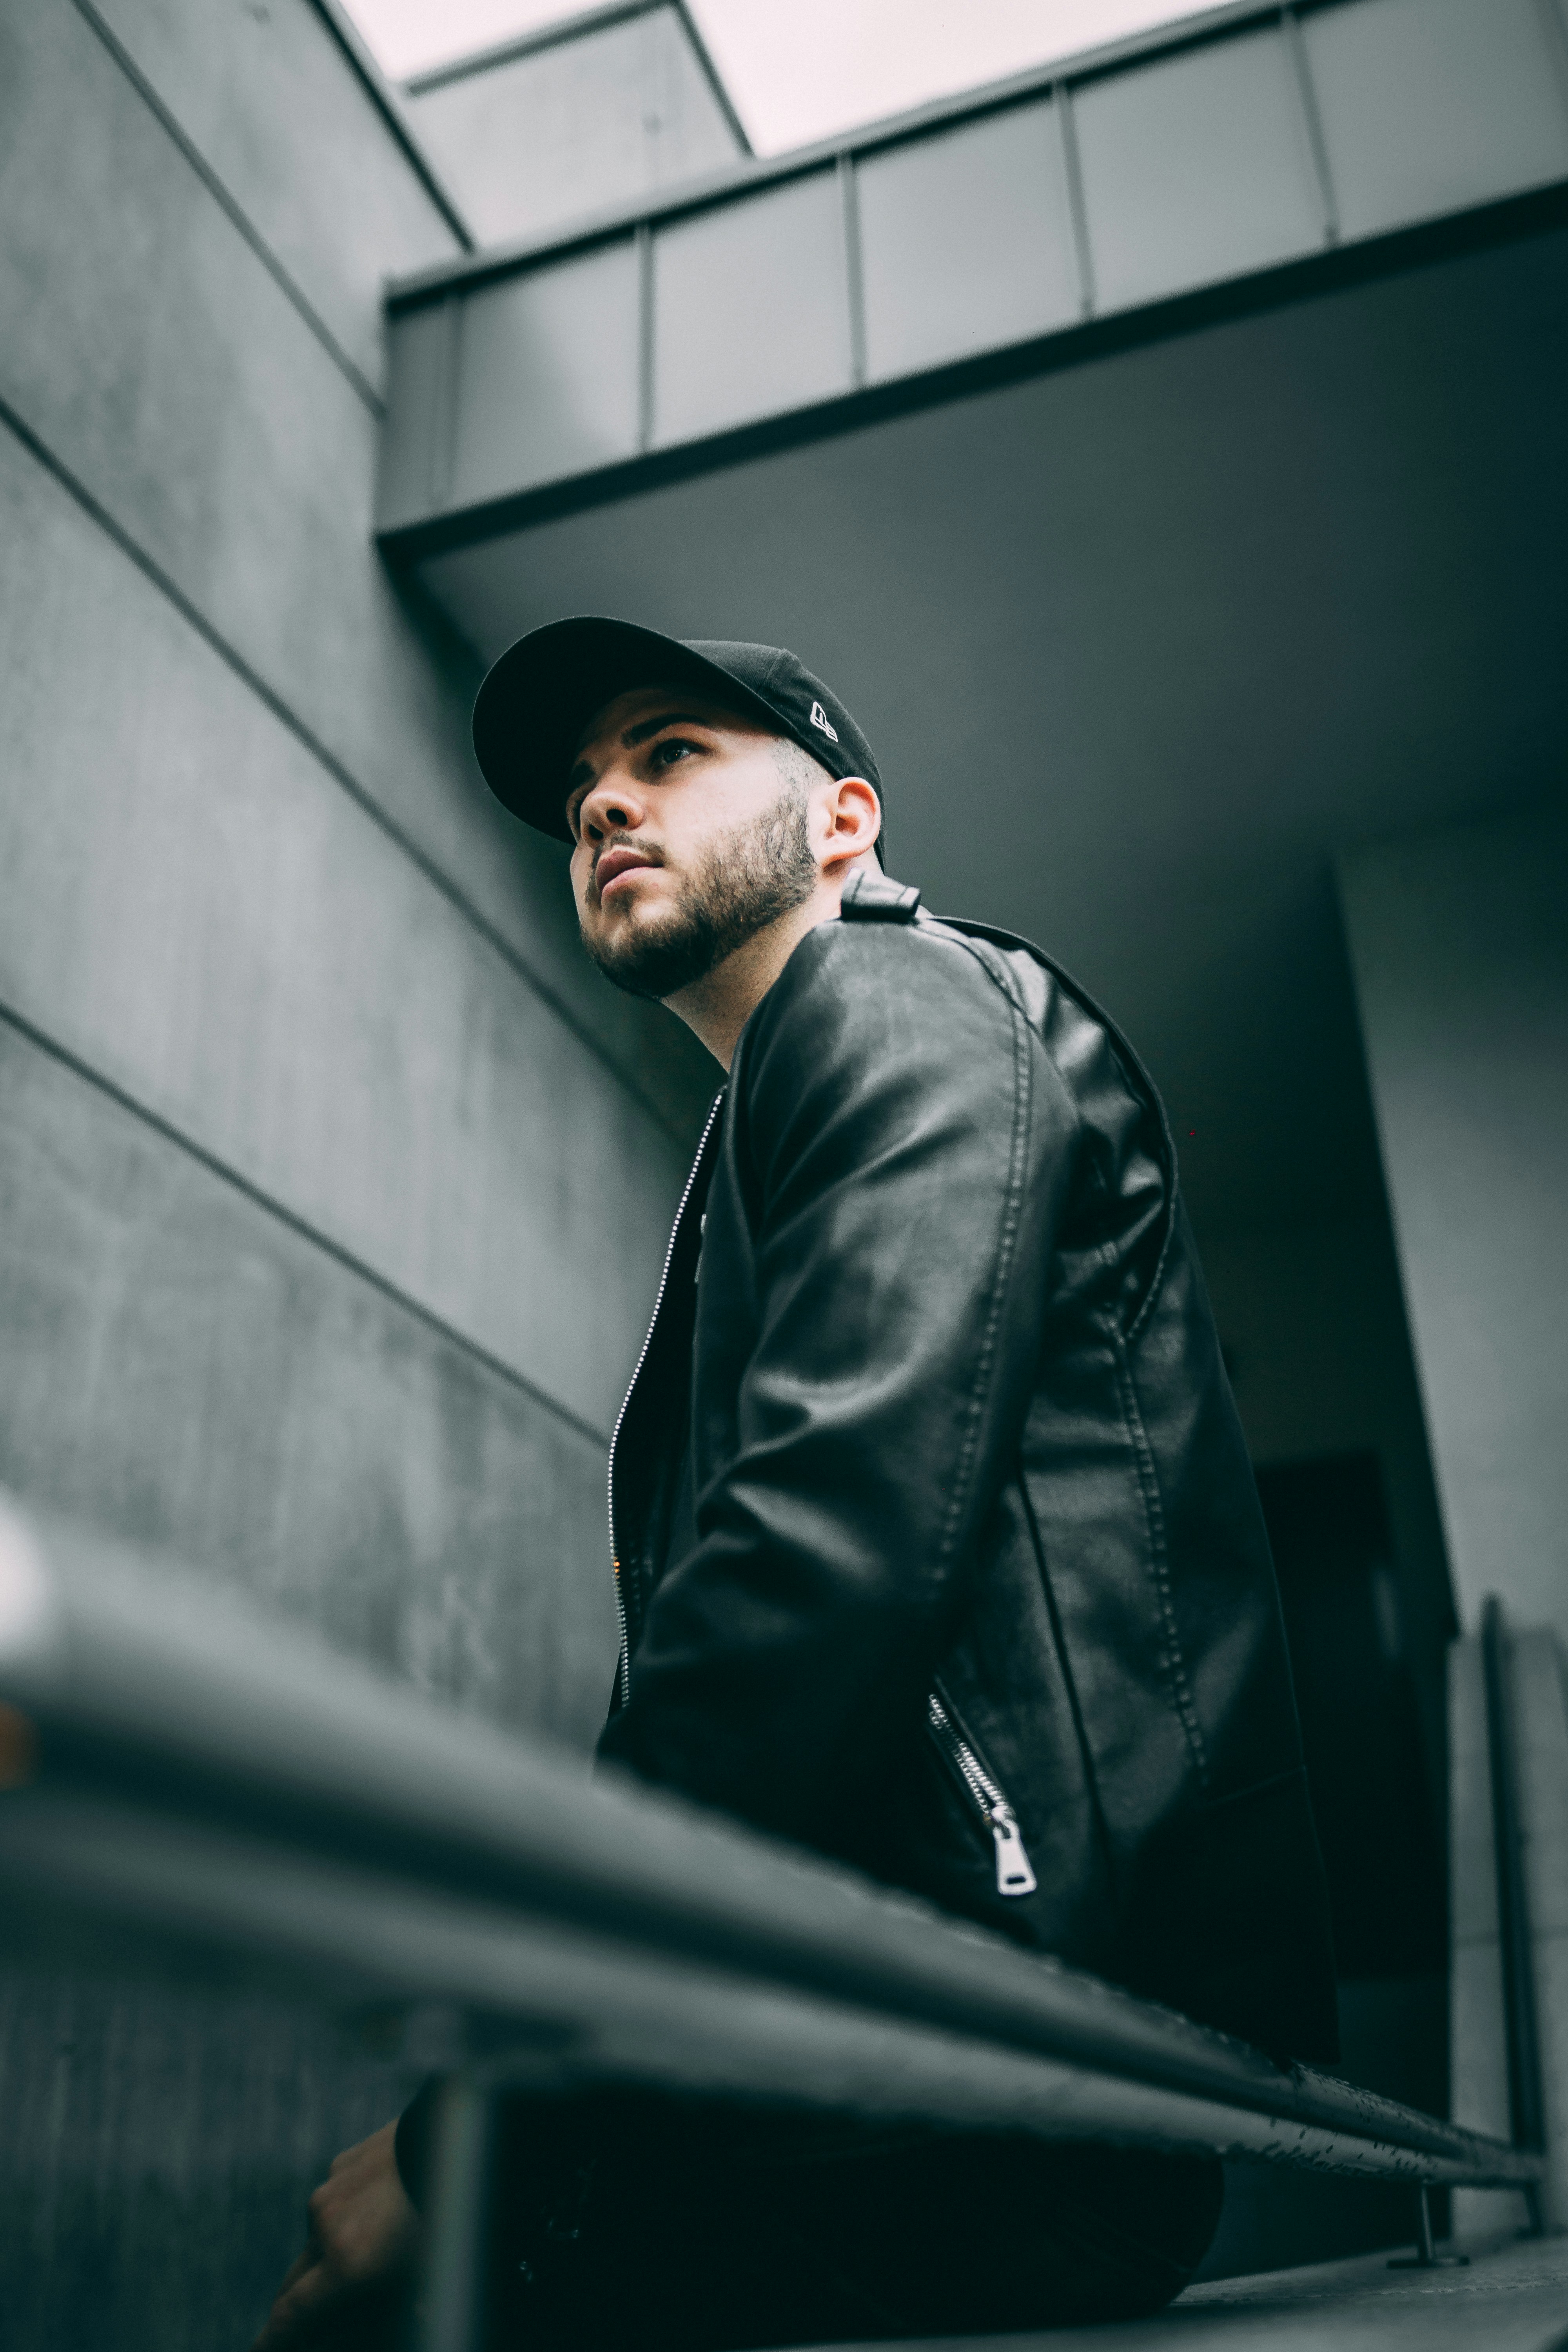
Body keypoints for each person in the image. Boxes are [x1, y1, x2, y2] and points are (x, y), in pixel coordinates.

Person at [254, 619, 1337, 2349]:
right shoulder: (782, 1113)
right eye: (582, 789)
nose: (603, 801)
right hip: (901, 2087)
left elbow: (810, 1582)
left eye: (668, 751)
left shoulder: (896, 997)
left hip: (974, 2104)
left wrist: (491, 2123)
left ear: (841, 821)